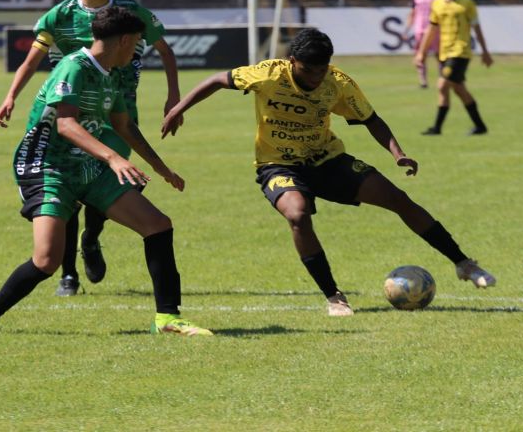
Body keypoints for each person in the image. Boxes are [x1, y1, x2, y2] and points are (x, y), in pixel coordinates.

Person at [161, 28, 496, 316]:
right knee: (297, 214)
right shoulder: (268, 74)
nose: (315, 77)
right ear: (292, 61)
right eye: (308, 70)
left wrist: (399, 154)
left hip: (327, 160)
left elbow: (371, 120)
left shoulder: (338, 84)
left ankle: (464, 263)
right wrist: (178, 108)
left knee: (398, 199)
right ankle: (334, 297)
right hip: (278, 165)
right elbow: (217, 80)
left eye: (321, 70)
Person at [0, 6, 211, 336]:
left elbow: (124, 126)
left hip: (87, 166)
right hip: (47, 167)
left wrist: (162, 169)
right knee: (47, 261)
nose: (137, 52)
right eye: (137, 44)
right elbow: (65, 124)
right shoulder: (73, 67)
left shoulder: (110, 74)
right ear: (124, 40)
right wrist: (113, 158)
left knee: (157, 225)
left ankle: (168, 318)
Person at [0, 0, 180, 298]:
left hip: (118, 116)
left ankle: (92, 238)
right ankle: (68, 274)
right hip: (72, 116)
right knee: (68, 192)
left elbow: (165, 52)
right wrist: (11, 95)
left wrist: (174, 98)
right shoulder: (60, 16)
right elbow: (32, 60)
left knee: (108, 186)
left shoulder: (130, 14)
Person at [416, 0, 493, 136]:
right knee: (458, 89)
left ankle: (437, 128)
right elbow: (431, 29)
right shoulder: (436, 3)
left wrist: (485, 52)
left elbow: (477, 28)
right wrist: (421, 52)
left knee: (442, 85)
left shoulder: (467, 4)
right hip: (444, 52)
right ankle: (480, 126)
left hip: (460, 52)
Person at [407, 0, 440, 89]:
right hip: (420, 29)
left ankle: (442, 78)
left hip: (435, 29)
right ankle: (423, 81)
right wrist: (407, 29)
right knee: (421, 55)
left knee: (439, 55)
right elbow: (412, 13)